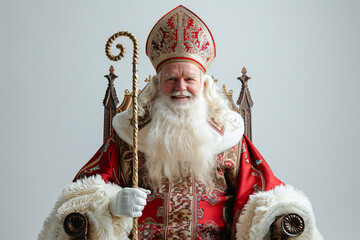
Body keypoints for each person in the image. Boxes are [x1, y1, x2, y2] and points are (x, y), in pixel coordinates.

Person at [38, 5, 322, 240]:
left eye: (189, 79)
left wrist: (282, 214)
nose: (180, 87)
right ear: (157, 84)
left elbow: (261, 194)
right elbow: (80, 196)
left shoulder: (228, 138)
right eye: (171, 79)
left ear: (205, 84)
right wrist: (110, 204)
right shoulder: (129, 135)